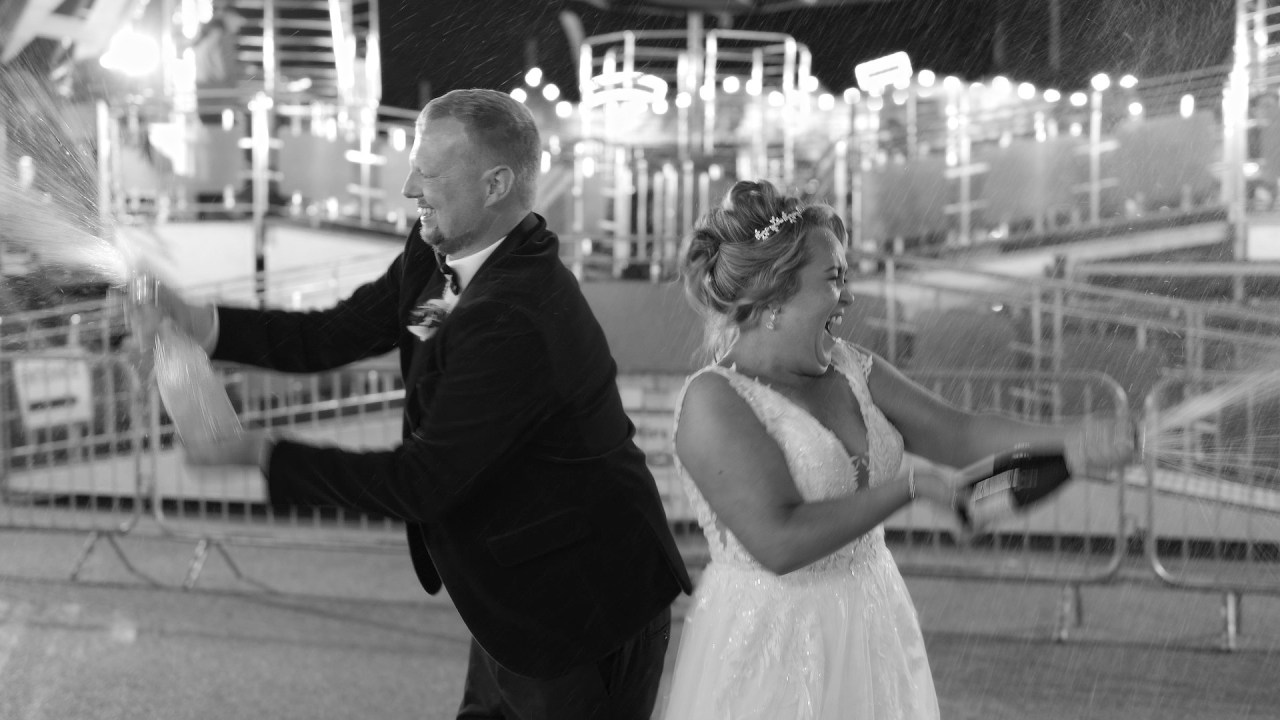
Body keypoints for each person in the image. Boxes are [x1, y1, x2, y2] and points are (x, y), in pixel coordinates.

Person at [151, 88, 692, 719]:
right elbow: (333, 332)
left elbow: (424, 482)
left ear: (495, 185)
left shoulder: (518, 313)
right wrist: (205, 324)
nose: (408, 187)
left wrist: (263, 454)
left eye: (429, 173)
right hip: (509, 596)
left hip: (581, 603)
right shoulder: (437, 252)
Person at [660, 180, 1134, 719]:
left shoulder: (850, 366)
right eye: (834, 280)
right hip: (773, 638)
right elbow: (779, 541)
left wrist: (1076, 438)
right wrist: (910, 488)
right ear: (773, 295)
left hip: (872, 615)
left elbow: (960, 434)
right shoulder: (714, 400)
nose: (850, 297)